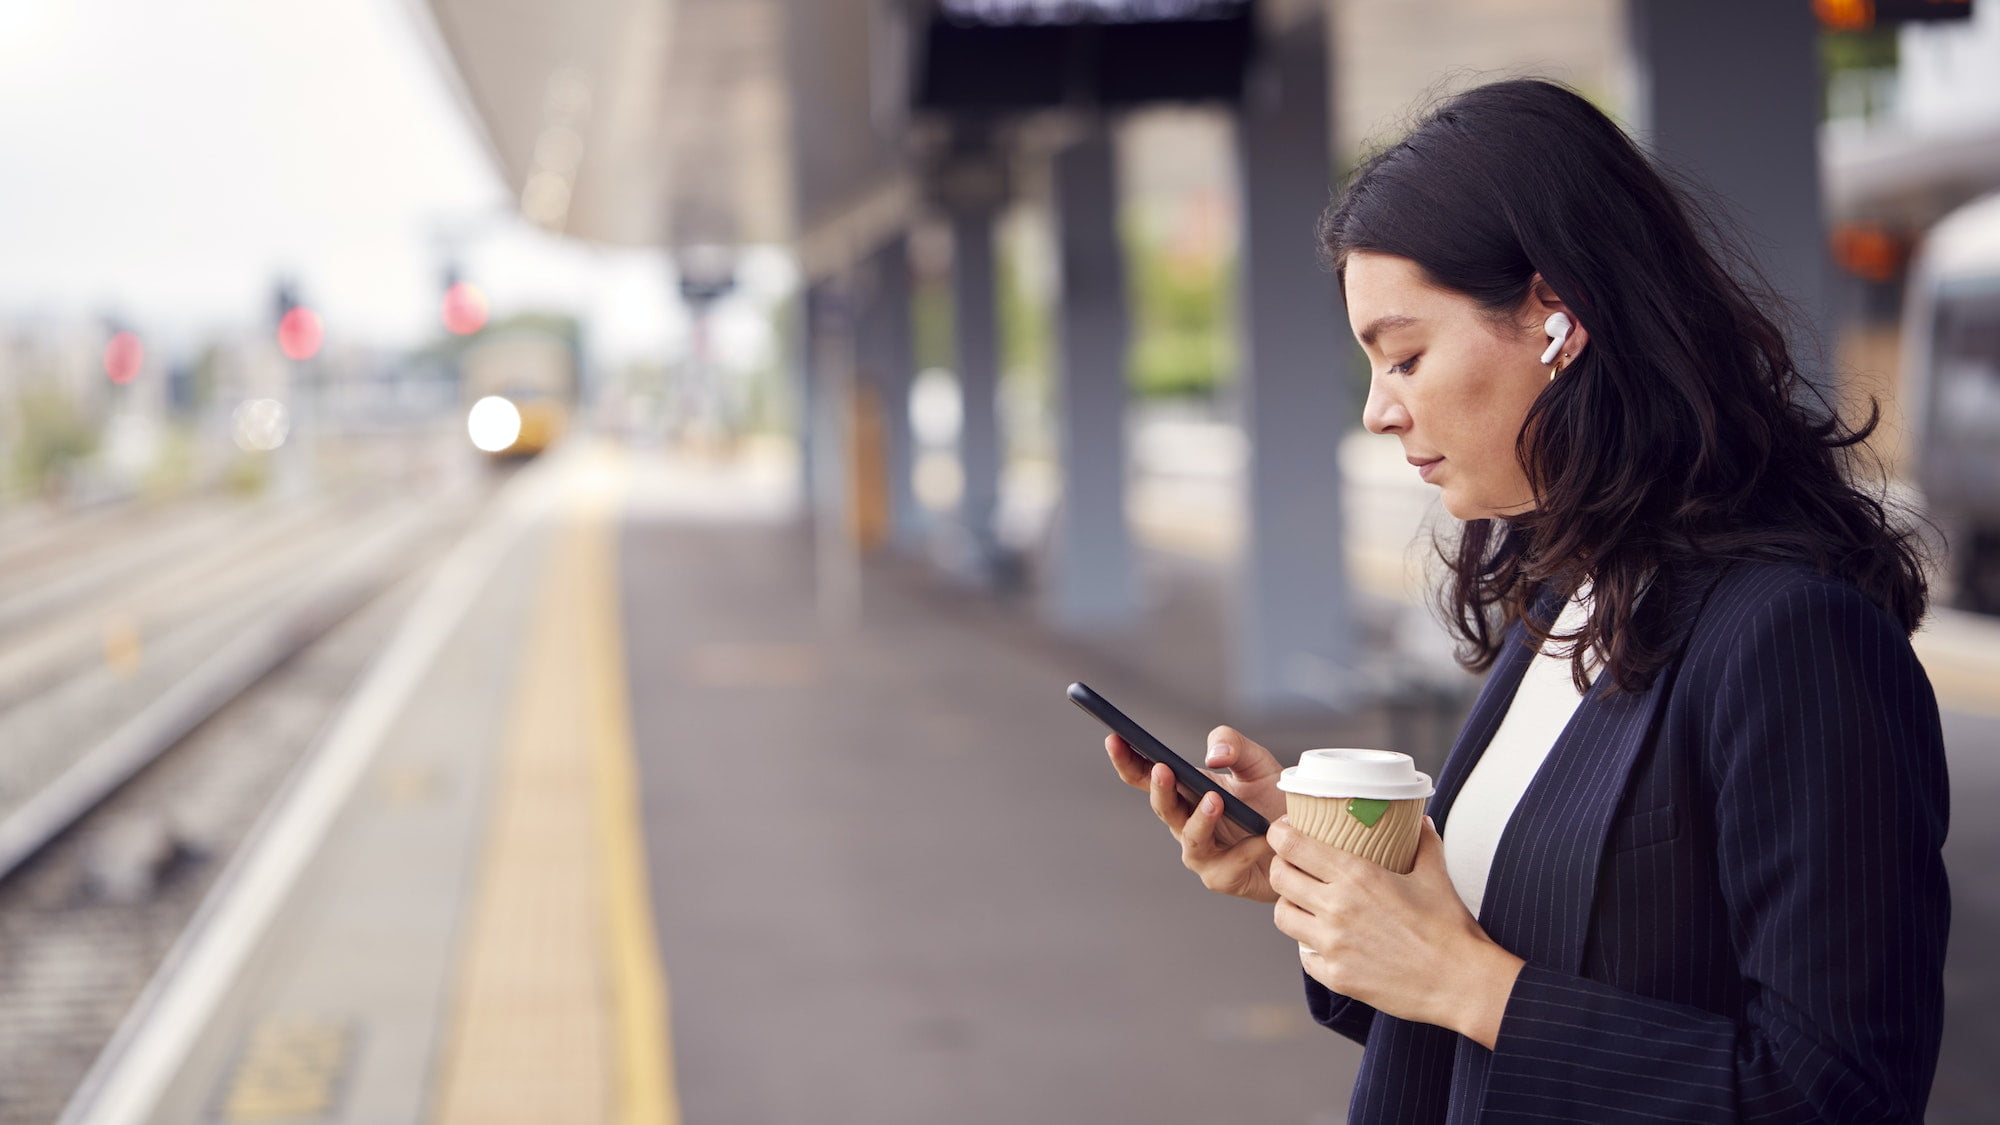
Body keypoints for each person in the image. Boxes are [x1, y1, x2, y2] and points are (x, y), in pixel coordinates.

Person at [1104, 79, 1949, 1123]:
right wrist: (1329, 879)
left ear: (1557, 316)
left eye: (1403, 355)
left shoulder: (1792, 638)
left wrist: (1463, 981)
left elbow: (1838, 1095)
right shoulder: (1570, 595)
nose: (1377, 409)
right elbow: (1521, 977)